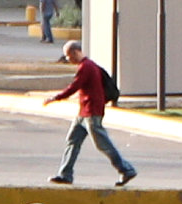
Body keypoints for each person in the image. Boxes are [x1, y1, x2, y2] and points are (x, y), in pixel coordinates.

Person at [42, 39, 138, 186]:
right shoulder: (88, 66)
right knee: (72, 141)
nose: (68, 59)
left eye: (68, 56)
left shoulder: (86, 67)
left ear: (76, 52)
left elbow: (75, 86)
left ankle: (126, 169)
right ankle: (65, 174)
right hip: (83, 113)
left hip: (92, 112)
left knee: (103, 144)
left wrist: (56, 97)